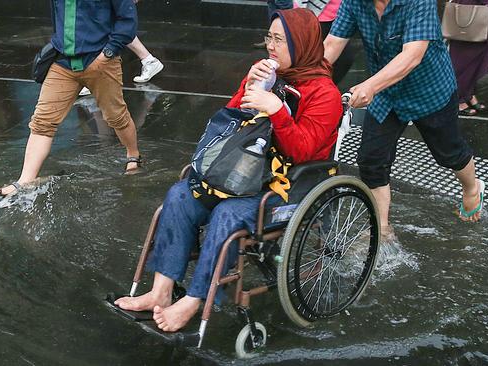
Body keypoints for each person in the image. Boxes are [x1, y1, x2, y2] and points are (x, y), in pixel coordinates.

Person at [114, 8, 342, 332]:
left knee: (228, 214)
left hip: (288, 188)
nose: (270, 46)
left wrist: (277, 110)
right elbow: (230, 123)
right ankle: (160, 291)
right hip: (245, 172)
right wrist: (250, 85)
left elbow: (302, 151)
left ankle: (196, 300)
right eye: (269, 38)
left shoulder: (325, 94)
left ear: (301, 44)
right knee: (180, 195)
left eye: (279, 40)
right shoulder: (272, 76)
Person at [323, 0, 485, 237]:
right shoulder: (355, 2)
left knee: (449, 153)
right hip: (386, 91)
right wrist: (301, 78)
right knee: (371, 161)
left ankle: (472, 188)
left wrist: (370, 86)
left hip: (429, 89)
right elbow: (332, 43)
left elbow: (412, 55)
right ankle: (381, 230)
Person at [0, 0, 141, 196]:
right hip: (62, 63)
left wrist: (107, 54)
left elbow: (127, 21)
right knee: (42, 122)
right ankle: (24, 182)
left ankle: (133, 156)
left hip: (101, 61)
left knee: (116, 117)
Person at [449, 0, 488, 116]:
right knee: (466, 61)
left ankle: (468, 95)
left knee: (474, 60)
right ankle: (459, 101)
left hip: (476, 13)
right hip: (472, 15)